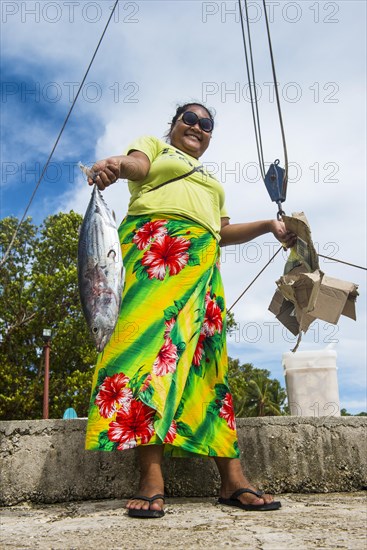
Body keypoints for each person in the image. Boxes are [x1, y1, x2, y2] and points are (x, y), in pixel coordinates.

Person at [85, 102, 295, 518]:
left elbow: (222, 231)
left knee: (208, 368)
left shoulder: (214, 183)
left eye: (207, 123)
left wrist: (269, 227)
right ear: (174, 125)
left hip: (201, 267)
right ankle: (151, 478)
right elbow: (137, 166)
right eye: (190, 119)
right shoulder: (155, 149)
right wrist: (114, 165)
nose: (198, 126)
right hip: (156, 254)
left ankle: (233, 480)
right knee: (145, 358)